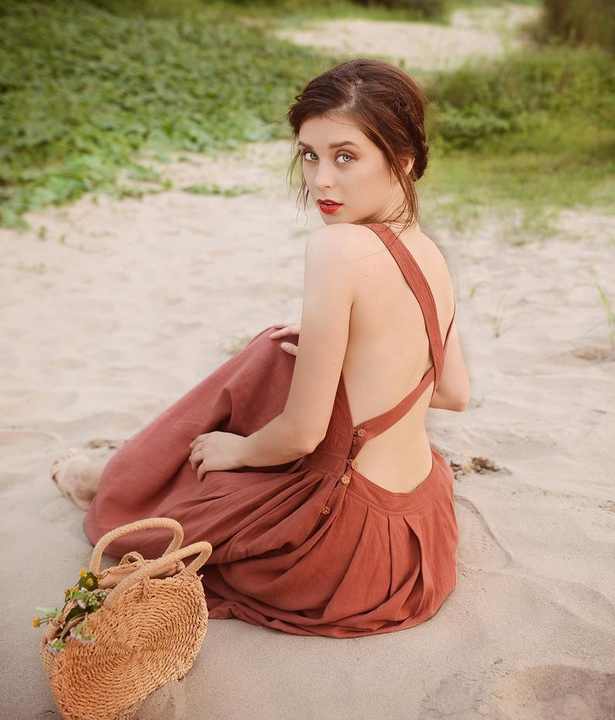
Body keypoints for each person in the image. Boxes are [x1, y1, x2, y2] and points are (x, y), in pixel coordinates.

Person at [52, 58, 471, 638]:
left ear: (401, 160)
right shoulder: (429, 252)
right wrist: (354, 365)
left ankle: (125, 478)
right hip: (419, 534)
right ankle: (128, 471)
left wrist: (239, 451)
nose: (321, 181)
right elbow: (453, 393)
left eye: (345, 157)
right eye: (310, 155)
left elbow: (300, 436)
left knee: (262, 366)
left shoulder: (339, 250)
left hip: (347, 555)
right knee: (284, 353)